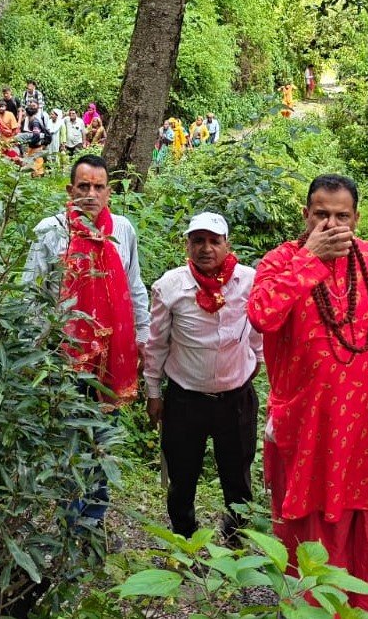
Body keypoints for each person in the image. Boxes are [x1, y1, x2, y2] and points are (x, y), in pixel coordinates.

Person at [248, 174, 368, 617]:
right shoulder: (280, 262)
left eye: (341, 216)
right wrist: (308, 261)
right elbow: (262, 315)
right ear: (305, 215)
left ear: (356, 218)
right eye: (321, 214)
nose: (331, 224)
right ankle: (310, 605)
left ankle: (366, 603)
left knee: (364, 515)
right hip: (308, 427)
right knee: (311, 520)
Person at [24, 154, 150, 530]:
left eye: (98, 187)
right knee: (68, 437)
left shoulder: (122, 229)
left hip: (112, 358)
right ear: (70, 190)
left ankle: (92, 519)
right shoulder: (50, 231)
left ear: (109, 192)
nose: (91, 194)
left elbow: (134, 286)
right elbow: (32, 292)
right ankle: (67, 519)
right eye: (84, 187)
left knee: (101, 438)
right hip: (62, 357)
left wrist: (143, 336)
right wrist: (34, 349)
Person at [145, 212, 262, 539]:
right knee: (182, 477)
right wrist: (153, 392)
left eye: (214, 241)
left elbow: (257, 327)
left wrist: (258, 359)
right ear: (188, 244)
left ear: (227, 245)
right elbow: (156, 343)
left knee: (238, 475)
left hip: (236, 398)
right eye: (198, 240)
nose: (206, 248)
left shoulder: (249, 281)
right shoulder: (170, 287)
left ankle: (236, 537)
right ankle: (185, 536)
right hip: (185, 399)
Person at [20, 101, 51, 177]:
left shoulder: (35, 122)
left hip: (36, 146)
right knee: (32, 162)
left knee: (37, 163)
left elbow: (36, 136)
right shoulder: (31, 120)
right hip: (33, 146)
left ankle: (38, 177)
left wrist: (28, 141)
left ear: (27, 114)